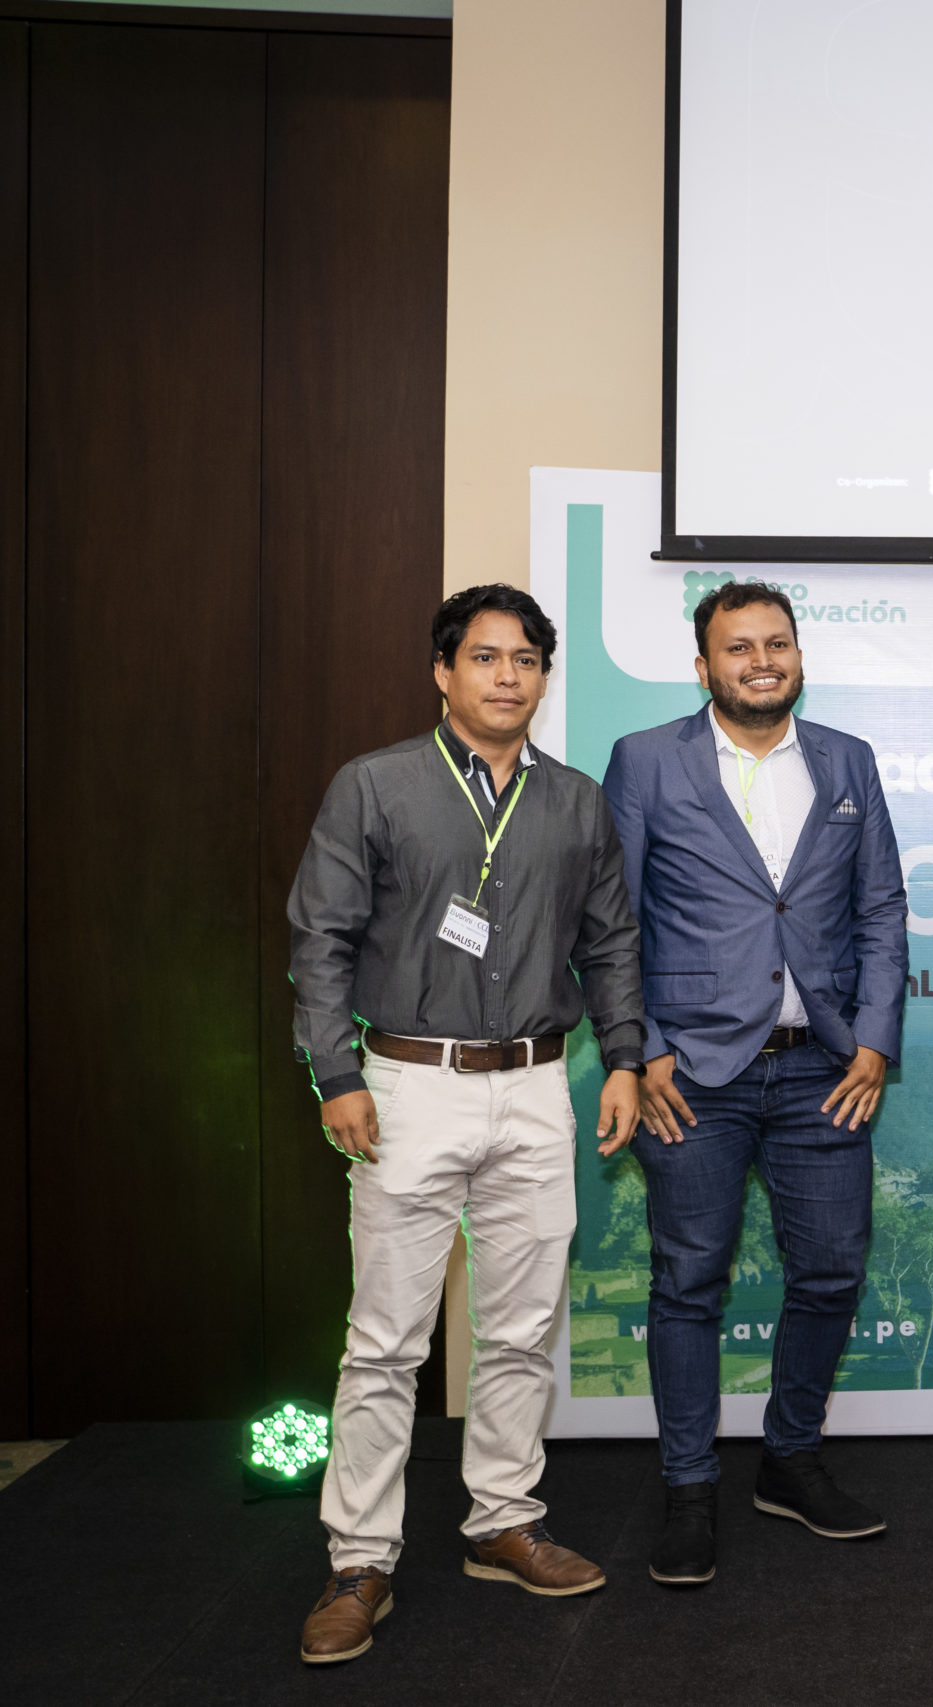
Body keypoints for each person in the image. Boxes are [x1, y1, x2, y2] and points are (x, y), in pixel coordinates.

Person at [287, 585, 646, 1665]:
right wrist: (335, 1073)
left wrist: (624, 1059)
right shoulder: (376, 784)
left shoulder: (576, 801)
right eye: (485, 657)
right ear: (443, 672)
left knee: (523, 1329)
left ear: (543, 678)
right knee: (385, 1343)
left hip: (536, 1087)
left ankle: (503, 1521)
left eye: (526, 659)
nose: (507, 676)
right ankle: (360, 1559)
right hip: (407, 1085)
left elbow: (611, 942)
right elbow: (320, 940)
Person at [601, 580, 909, 1586]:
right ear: (704, 666)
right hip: (691, 1074)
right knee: (688, 1283)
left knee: (831, 1271)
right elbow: (611, 918)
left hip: (824, 1068)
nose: (761, 660)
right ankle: (690, 1488)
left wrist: (875, 1039)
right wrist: (641, 1047)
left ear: (799, 657)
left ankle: (789, 1458)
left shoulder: (847, 760)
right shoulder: (647, 760)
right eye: (739, 647)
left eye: (777, 643)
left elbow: (881, 910)